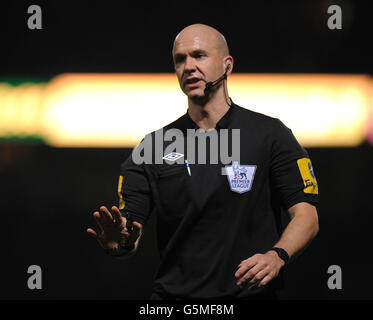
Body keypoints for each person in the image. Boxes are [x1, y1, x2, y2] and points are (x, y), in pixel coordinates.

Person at [86, 24, 319, 300]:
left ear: (227, 65)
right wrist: (120, 241)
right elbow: (129, 233)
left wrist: (277, 256)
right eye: (180, 59)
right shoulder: (151, 148)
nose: (188, 66)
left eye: (199, 55)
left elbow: (307, 217)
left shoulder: (270, 135)